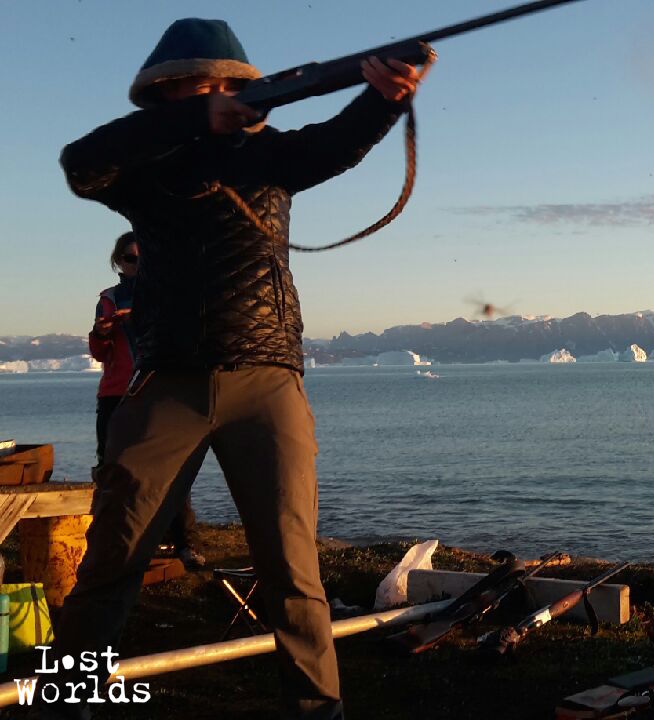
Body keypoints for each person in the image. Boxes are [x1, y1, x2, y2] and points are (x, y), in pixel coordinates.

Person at [53, 18, 428, 719]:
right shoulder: (145, 171)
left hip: (267, 381)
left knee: (293, 570)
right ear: (168, 96)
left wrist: (384, 99)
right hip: (166, 384)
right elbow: (81, 160)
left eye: (228, 86)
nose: (222, 95)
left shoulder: (268, 156)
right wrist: (200, 118)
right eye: (203, 87)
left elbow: (338, 144)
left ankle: (318, 712)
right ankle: (60, 706)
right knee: (109, 562)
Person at [89, 232, 206, 569]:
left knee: (172, 469)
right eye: (130, 258)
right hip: (116, 393)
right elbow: (100, 352)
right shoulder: (109, 299)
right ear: (118, 263)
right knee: (112, 470)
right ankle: (113, 544)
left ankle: (185, 543)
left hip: (158, 391)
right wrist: (101, 332)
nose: (137, 265)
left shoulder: (166, 294)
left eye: (143, 258)